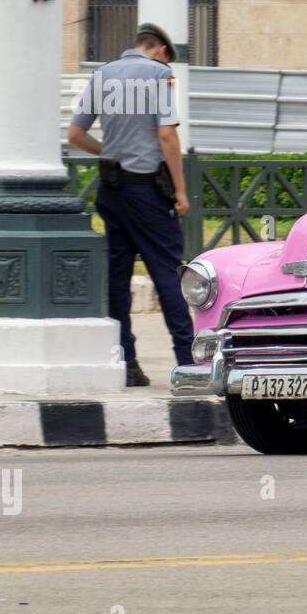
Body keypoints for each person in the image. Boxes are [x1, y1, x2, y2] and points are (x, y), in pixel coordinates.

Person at [66, 23, 195, 386]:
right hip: (149, 195)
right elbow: (167, 135)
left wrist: (106, 151)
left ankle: (127, 363)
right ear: (160, 51)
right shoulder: (160, 74)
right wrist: (181, 191)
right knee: (169, 275)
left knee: (117, 280)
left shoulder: (102, 75)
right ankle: (188, 363)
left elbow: (75, 135)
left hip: (112, 191)